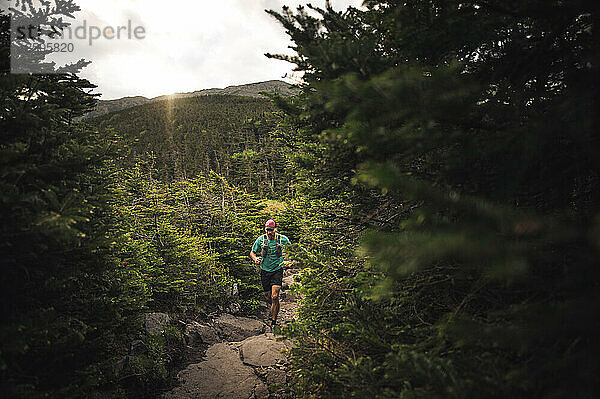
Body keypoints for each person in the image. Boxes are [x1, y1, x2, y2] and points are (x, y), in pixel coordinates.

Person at [250, 219, 291, 327]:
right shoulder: (261, 240)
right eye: (267, 230)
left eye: (271, 230)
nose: (269, 232)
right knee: (268, 297)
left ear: (275, 229)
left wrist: (288, 261)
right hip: (265, 270)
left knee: (274, 296)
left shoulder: (283, 239)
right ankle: (274, 308)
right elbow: (252, 252)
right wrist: (255, 259)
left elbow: (292, 251)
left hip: (277, 269)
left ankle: (273, 321)